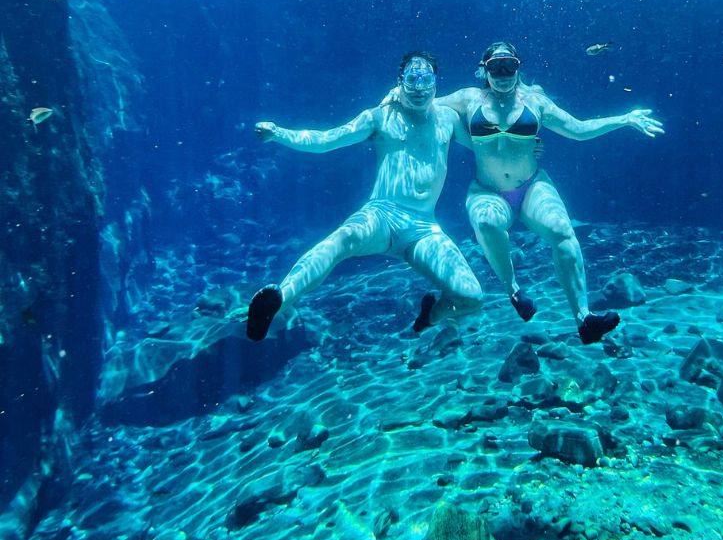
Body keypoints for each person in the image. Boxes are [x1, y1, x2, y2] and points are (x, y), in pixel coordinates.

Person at [437, 41, 665, 345]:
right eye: (496, 67)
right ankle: (514, 290)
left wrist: (623, 119)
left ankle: (584, 318)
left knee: (562, 231)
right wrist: (395, 96)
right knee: (487, 223)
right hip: (487, 190)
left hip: (531, 186)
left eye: (509, 66)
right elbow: (426, 103)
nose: (503, 73)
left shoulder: (536, 102)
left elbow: (579, 129)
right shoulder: (469, 98)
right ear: (484, 69)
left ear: (519, 67)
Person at [246, 51, 483, 342]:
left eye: (426, 80)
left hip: (423, 230)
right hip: (381, 216)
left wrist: (525, 150)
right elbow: (326, 140)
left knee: (472, 297)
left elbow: (489, 151)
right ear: (400, 82)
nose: (419, 88)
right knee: (342, 240)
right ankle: (280, 300)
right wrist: (279, 133)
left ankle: (430, 316)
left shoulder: (448, 119)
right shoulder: (380, 117)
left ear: (436, 83)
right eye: (412, 79)